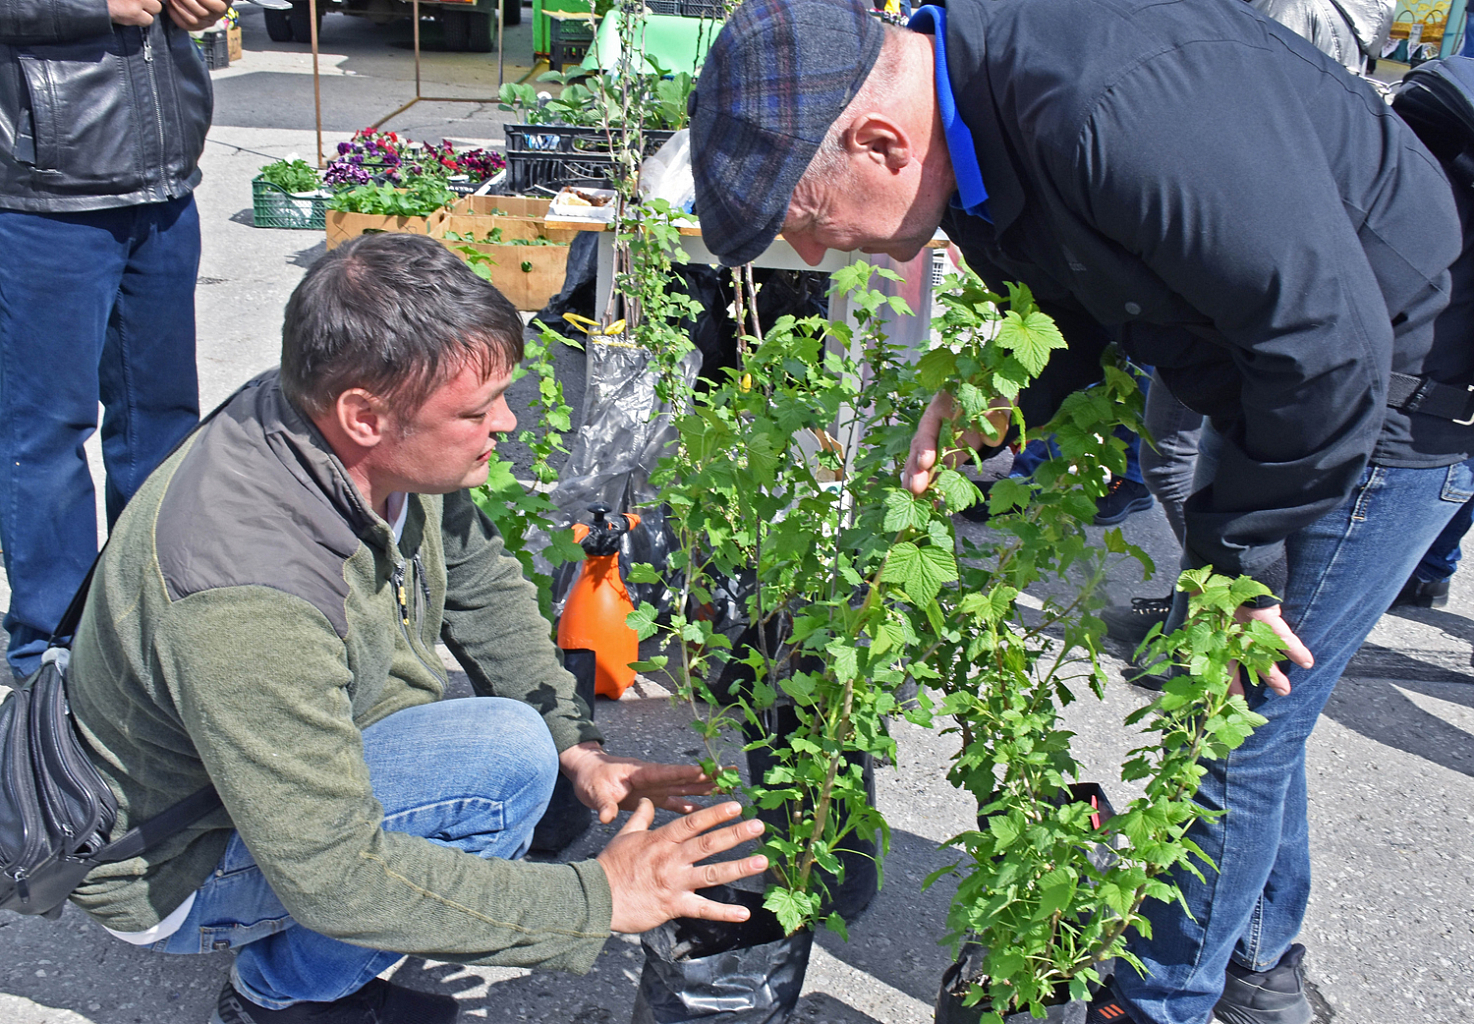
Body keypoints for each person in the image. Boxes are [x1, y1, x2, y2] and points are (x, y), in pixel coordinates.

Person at [687, 2, 1473, 1023]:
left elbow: (1328, 352)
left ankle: (1160, 1002)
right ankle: (1260, 971)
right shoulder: (973, 122)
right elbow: (1082, 287)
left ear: (879, 144)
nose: (828, 254)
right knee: (1248, 712)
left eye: (809, 224)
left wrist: (1237, 570)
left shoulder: (1112, 115)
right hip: (1278, 370)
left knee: (1229, 714)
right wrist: (1007, 391)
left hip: (1390, 384)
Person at [63, 233, 769, 1024]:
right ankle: (281, 996)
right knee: (499, 770)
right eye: (475, 412)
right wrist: (597, 898)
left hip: (247, 778)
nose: (508, 423)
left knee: (523, 747)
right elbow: (334, 874)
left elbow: (479, 579)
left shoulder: (342, 429)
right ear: (365, 416)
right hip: (167, 863)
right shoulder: (247, 597)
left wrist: (577, 745)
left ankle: (307, 963)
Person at [0, 0, 228, 680]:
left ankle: (152, 616)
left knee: (164, 421)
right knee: (45, 432)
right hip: (48, 196)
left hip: (163, 186)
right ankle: (49, 645)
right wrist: (92, 7)